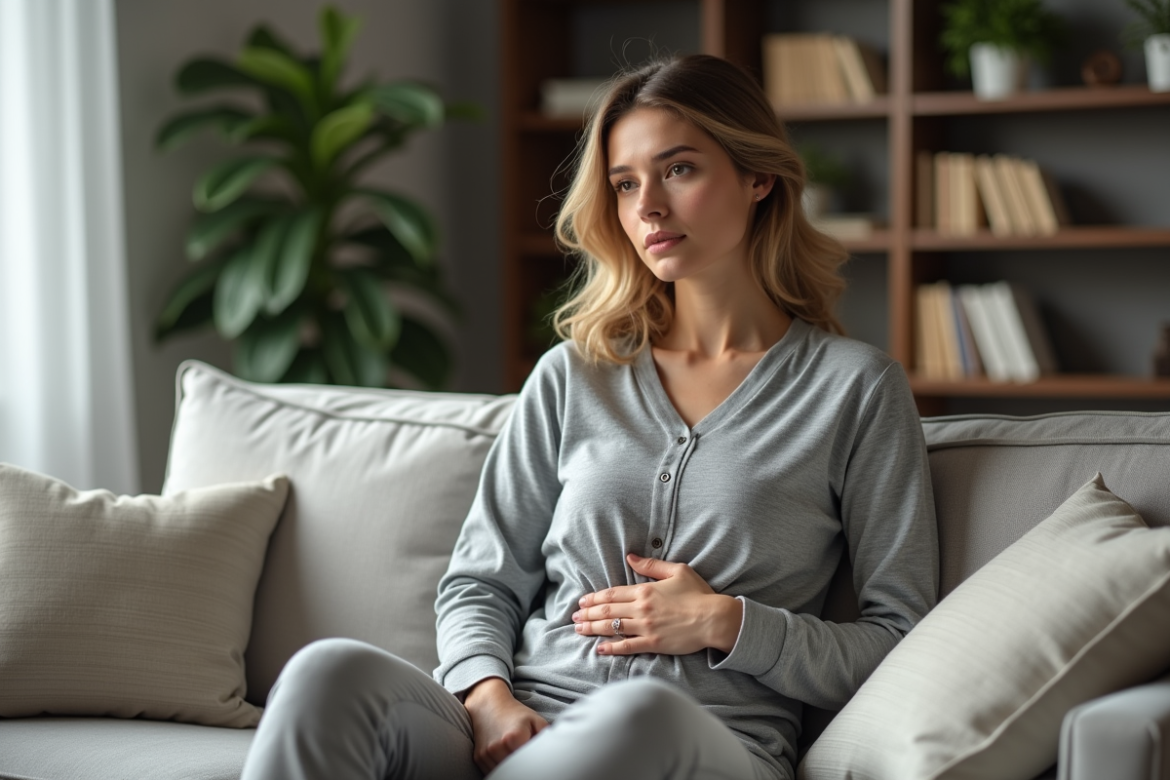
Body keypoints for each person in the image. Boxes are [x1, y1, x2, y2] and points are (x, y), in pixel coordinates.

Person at [239, 53, 938, 780]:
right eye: (625, 184)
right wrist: (486, 696)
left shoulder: (857, 390)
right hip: (524, 726)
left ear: (758, 177)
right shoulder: (574, 375)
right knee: (330, 672)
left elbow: (901, 639)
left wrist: (726, 623)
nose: (648, 209)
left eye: (679, 170)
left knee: (639, 716)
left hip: (704, 742)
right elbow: (481, 581)